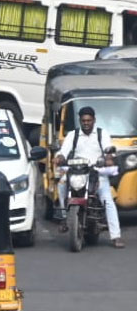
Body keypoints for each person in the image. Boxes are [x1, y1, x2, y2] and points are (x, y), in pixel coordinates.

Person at [55, 106, 124, 247]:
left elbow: (108, 151)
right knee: (61, 185)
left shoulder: (101, 134)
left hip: (96, 173)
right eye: (83, 120)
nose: (86, 123)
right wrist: (59, 158)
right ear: (80, 121)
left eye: (89, 120)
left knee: (107, 200)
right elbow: (63, 152)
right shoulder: (72, 135)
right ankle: (64, 218)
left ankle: (115, 236)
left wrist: (108, 159)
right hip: (77, 172)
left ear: (94, 120)